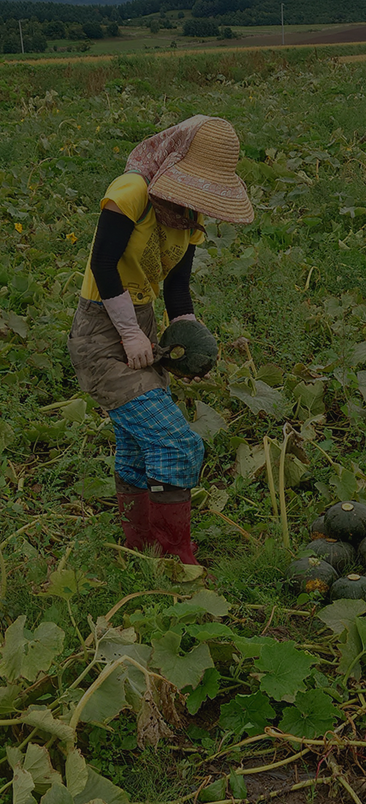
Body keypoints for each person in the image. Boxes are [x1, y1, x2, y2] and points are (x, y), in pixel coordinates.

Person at [68, 115, 253, 565]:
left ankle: (141, 549)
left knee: (137, 445)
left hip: (145, 326)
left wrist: (189, 336)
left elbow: (176, 288)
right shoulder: (130, 193)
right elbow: (104, 264)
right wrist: (129, 333)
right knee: (176, 444)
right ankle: (175, 559)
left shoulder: (188, 217)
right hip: (101, 332)